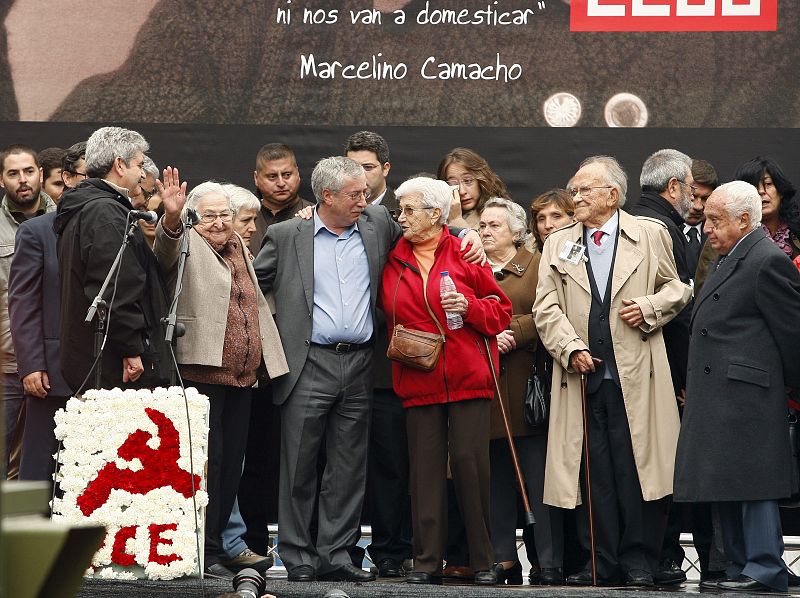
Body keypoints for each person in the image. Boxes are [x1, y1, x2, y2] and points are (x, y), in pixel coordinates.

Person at [533, 155, 692, 587]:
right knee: (592, 472)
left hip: (637, 375)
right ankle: (598, 560)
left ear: (612, 195)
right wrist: (570, 347)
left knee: (638, 469)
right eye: (575, 189)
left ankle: (640, 560)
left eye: (584, 189)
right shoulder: (558, 242)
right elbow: (545, 307)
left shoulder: (649, 233)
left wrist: (650, 306)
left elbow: (678, 287)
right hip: (582, 376)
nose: (576, 196)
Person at [154, 176, 288, 579]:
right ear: (195, 216)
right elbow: (164, 249)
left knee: (231, 469)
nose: (218, 222)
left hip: (241, 378)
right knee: (205, 468)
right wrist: (173, 219)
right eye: (209, 215)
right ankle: (202, 549)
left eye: (224, 214)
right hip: (201, 373)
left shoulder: (238, 247)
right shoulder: (187, 243)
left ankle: (216, 548)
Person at [380, 177, 511, 585]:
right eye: (400, 210)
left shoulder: (467, 252)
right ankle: (425, 562)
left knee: (472, 469)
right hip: (418, 376)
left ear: (436, 215)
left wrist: (469, 307)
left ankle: (483, 561)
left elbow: (500, 312)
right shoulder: (393, 258)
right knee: (424, 472)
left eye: (409, 210)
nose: (401, 217)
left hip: (468, 375)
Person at [673, 180, 800, 594]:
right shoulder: (731, 257)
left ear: (744, 220)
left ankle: (764, 567)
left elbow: (793, 335)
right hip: (723, 397)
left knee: (755, 485)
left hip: (749, 396)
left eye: (715, 220)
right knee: (728, 482)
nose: (706, 227)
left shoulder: (766, 260)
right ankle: (740, 566)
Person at [479, 197, 564, 585]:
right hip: (486, 391)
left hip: (528, 391)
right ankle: (502, 557)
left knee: (539, 480)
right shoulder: (472, 267)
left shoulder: (535, 263)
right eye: (482, 224)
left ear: (516, 231)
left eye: (494, 225)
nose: (485, 230)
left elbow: (555, 309)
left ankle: (549, 561)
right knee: (495, 478)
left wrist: (515, 331)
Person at [54, 126, 170, 392]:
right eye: (139, 164)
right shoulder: (106, 212)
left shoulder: (87, 207)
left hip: (95, 356)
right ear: (119, 164)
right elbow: (115, 288)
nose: (143, 173)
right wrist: (131, 348)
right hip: (111, 363)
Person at [344, 130, 410, 577]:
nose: (360, 177)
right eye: (351, 168)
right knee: (341, 464)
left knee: (391, 465)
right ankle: (340, 549)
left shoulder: (403, 216)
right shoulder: (327, 214)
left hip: (389, 366)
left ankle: (391, 550)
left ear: (385, 169)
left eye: (367, 167)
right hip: (338, 363)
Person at [0, 144, 57, 476]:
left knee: (43, 465)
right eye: (13, 173)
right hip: (6, 363)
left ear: (41, 173)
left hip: (52, 364)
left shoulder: (65, 222)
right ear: (2, 180)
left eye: (29, 171)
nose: (22, 180)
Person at [696, 157, 799, 296]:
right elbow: (705, 293)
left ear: (780, 191)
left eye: (768, 184)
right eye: (754, 187)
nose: (762, 191)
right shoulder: (722, 238)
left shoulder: (796, 232)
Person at [250, 143, 313, 255]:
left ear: (297, 174)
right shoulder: (245, 219)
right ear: (256, 178)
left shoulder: (314, 216)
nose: (281, 183)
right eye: (272, 176)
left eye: (287, 175)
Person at [437, 148, 510, 229]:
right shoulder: (437, 218)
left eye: (468, 181)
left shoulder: (501, 213)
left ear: (481, 180)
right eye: (453, 184)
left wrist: (457, 220)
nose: (462, 191)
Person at [685, 159, 718, 280]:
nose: (698, 206)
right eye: (692, 197)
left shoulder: (720, 234)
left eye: (705, 198)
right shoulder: (664, 230)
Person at [226, 184, 260, 251]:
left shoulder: (249, 256)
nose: (253, 229)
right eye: (245, 220)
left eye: (254, 220)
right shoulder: (206, 256)